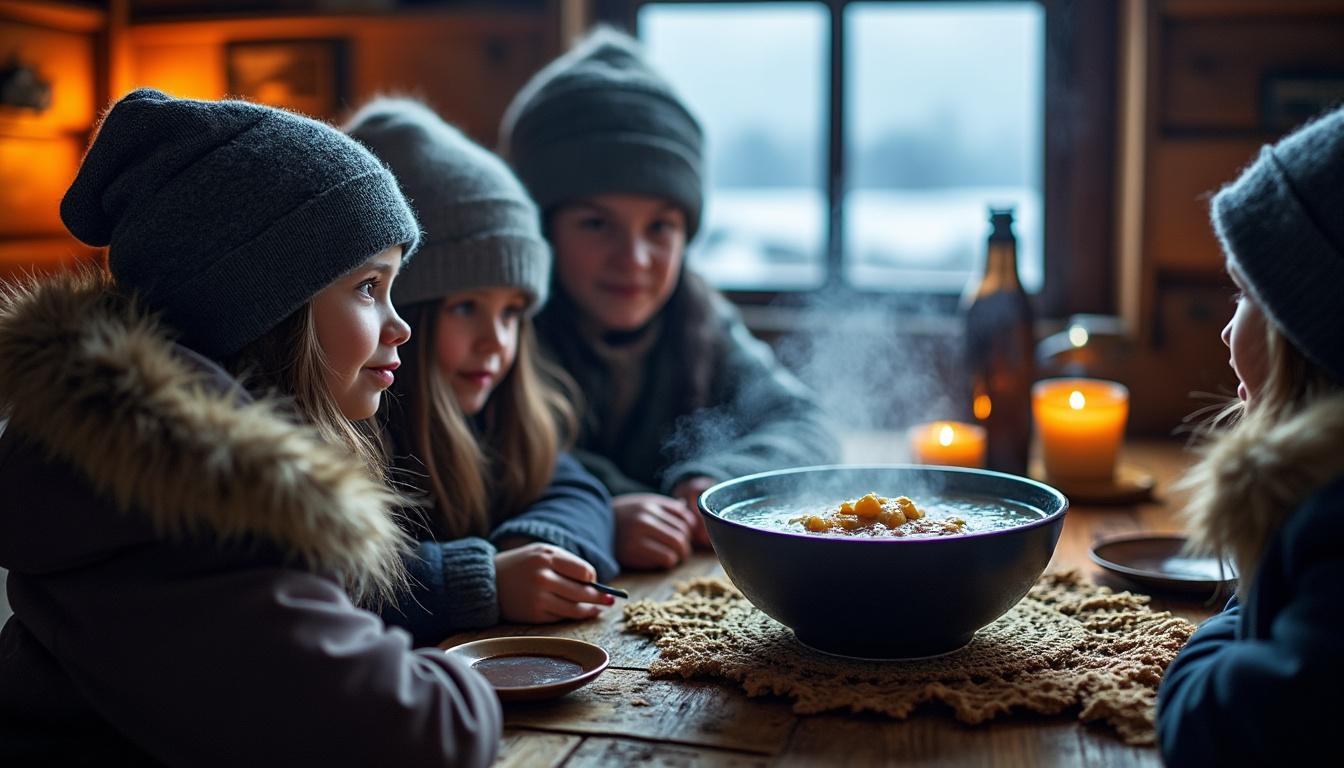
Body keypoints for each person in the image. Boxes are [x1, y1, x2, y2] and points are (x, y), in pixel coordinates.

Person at [0, 89, 500, 766]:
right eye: (367, 286)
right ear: (266, 306)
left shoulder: (157, 482)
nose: (399, 324)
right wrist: (473, 681)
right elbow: (428, 732)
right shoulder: (174, 514)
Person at [499, 28, 841, 570]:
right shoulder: (502, 330)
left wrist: (714, 483)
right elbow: (495, 457)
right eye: (596, 224)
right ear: (541, 231)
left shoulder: (700, 317)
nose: (634, 258)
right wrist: (603, 512)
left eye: (660, 227)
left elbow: (806, 423)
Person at [344, 98, 618, 646]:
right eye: (466, 307)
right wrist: (479, 579)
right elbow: (330, 584)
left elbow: (574, 487)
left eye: (512, 312)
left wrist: (535, 543)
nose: (497, 341)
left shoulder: (494, 418)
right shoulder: (345, 431)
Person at [1156, 106, 1344, 765]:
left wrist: (1231, 617)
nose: (1225, 333)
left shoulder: (1332, 527)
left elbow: (1213, 726)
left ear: (1306, 326)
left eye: (1242, 295)